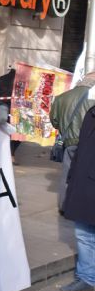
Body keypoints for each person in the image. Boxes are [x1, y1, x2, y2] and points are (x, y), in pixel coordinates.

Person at [60, 103, 95, 291]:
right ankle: (87, 277)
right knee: (84, 232)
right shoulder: (91, 112)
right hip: (84, 181)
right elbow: (83, 148)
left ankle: (88, 276)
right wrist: (73, 174)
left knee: (86, 232)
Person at [50, 72, 95, 212]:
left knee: (67, 174)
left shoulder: (62, 97)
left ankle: (64, 206)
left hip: (69, 142)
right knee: (88, 176)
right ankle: (84, 207)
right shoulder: (93, 98)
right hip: (89, 144)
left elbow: (55, 122)